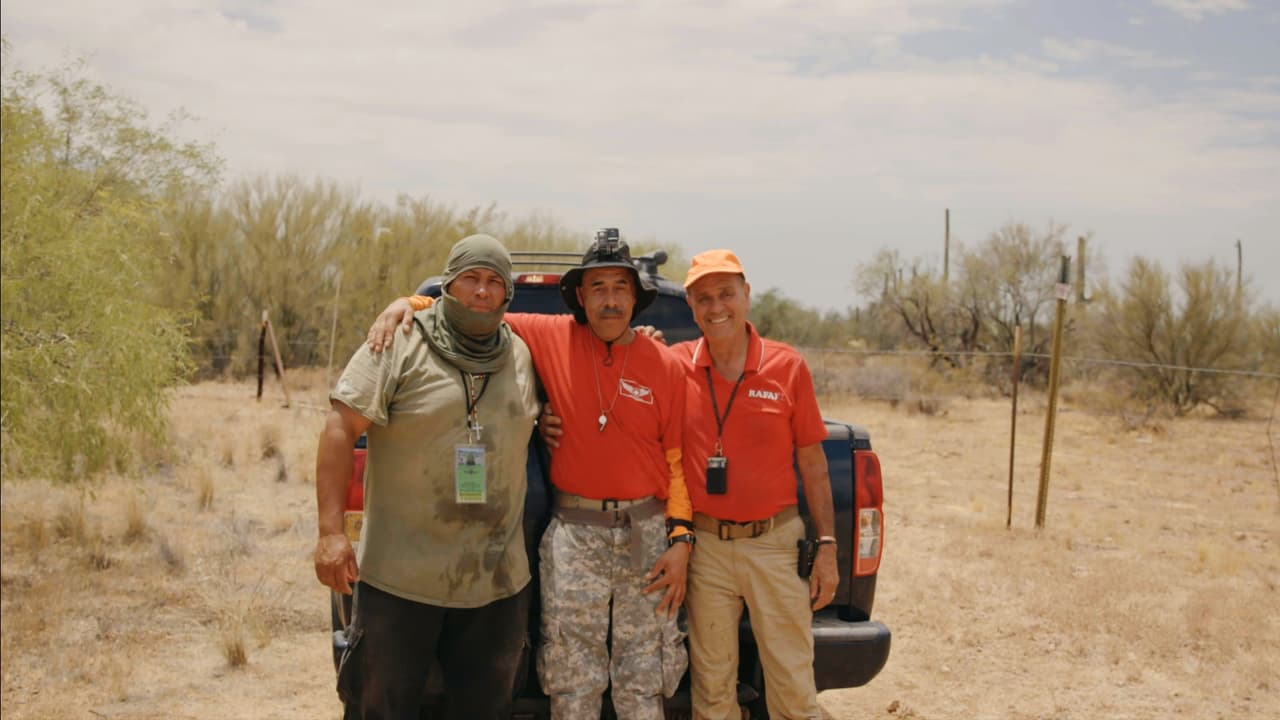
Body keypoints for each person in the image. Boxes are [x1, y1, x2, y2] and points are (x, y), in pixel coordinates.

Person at [368, 229, 694, 720]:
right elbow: (475, 310)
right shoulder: (550, 334)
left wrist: (682, 541)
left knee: (644, 682)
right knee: (571, 679)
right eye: (598, 288)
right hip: (574, 536)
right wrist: (408, 302)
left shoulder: (665, 364)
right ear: (580, 298)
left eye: (620, 288)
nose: (609, 301)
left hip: (646, 538)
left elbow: (679, 461)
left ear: (636, 297)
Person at [542, 249, 840, 720]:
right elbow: (621, 365)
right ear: (692, 306)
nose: (716, 306)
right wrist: (543, 411)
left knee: (792, 684)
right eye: (703, 298)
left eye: (726, 294)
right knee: (712, 685)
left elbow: (814, 461)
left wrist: (825, 544)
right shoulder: (674, 363)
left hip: (775, 543)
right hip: (704, 547)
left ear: (746, 295)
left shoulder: (787, 367)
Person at [313, 234, 541, 720]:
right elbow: (339, 426)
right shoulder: (398, 339)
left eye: (494, 282)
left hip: (496, 588)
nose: (482, 291)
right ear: (448, 285)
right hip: (399, 584)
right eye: (470, 278)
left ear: (507, 296)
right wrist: (331, 533)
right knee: (381, 709)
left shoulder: (522, 353)